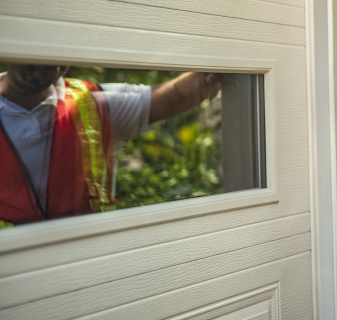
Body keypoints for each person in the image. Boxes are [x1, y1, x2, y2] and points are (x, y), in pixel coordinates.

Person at [0, 63, 221, 225]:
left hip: (88, 261)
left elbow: (174, 96)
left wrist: (214, 68)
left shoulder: (91, 102)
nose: (44, 61)